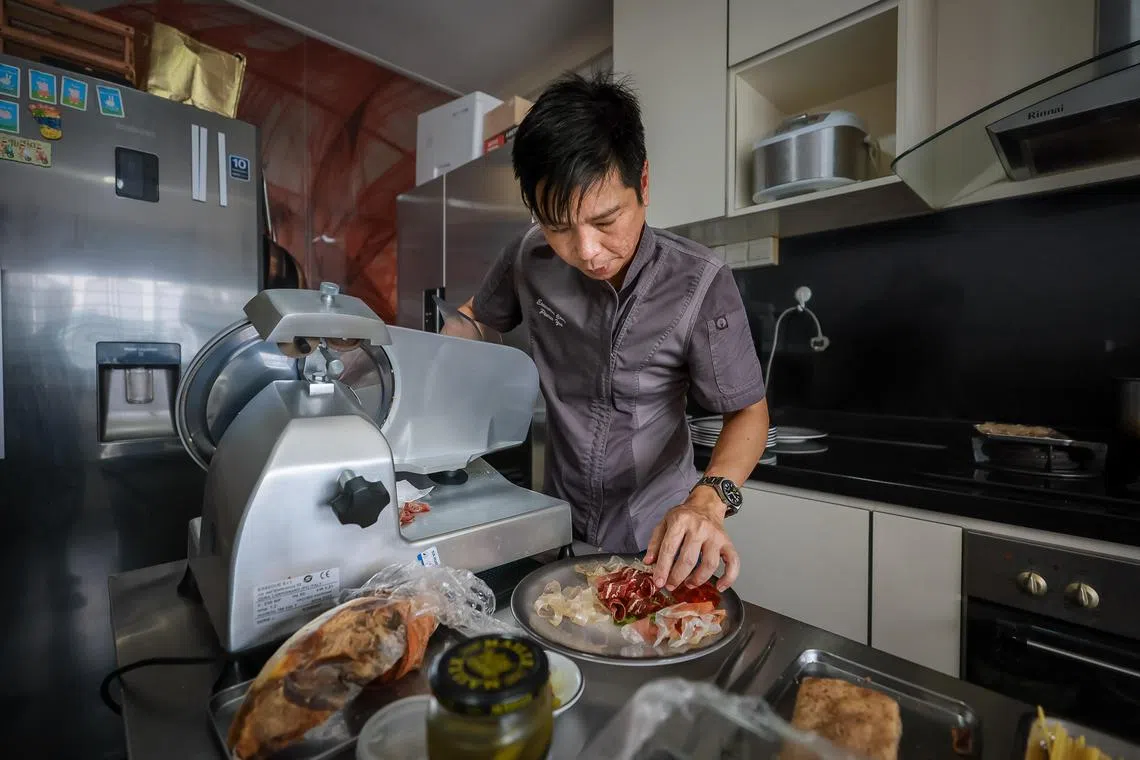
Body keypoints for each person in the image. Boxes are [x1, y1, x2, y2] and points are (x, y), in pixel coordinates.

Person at [444, 72, 769, 593]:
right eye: (558, 226)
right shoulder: (528, 258)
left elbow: (749, 412)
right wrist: (435, 359)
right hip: (557, 527)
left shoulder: (700, 281)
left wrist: (708, 501)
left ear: (642, 183)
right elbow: (477, 317)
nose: (587, 250)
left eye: (605, 219)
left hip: (660, 542)